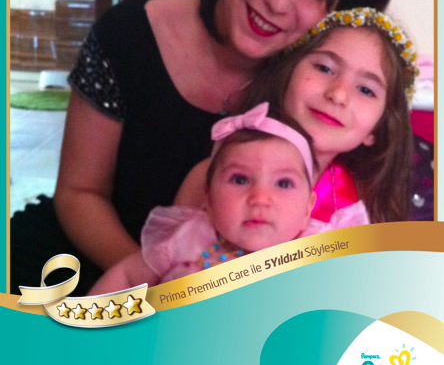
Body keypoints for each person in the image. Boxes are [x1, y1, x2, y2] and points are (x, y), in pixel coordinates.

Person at [10, 0, 399, 296]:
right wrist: (163, 282)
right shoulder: (125, 36)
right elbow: (80, 192)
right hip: (84, 260)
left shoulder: (319, 91)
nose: (279, 1)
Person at [89, 103, 369, 294]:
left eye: (284, 183)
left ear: (308, 207)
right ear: (209, 199)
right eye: (240, 180)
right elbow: (127, 276)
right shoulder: (189, 239)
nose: (260, 198)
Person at [176, 8, 417, 224]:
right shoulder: (218, 175)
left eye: (365, 90)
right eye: (324, 68)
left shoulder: (366, 210)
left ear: (377, 128)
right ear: (288, 74)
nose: (338, 94)